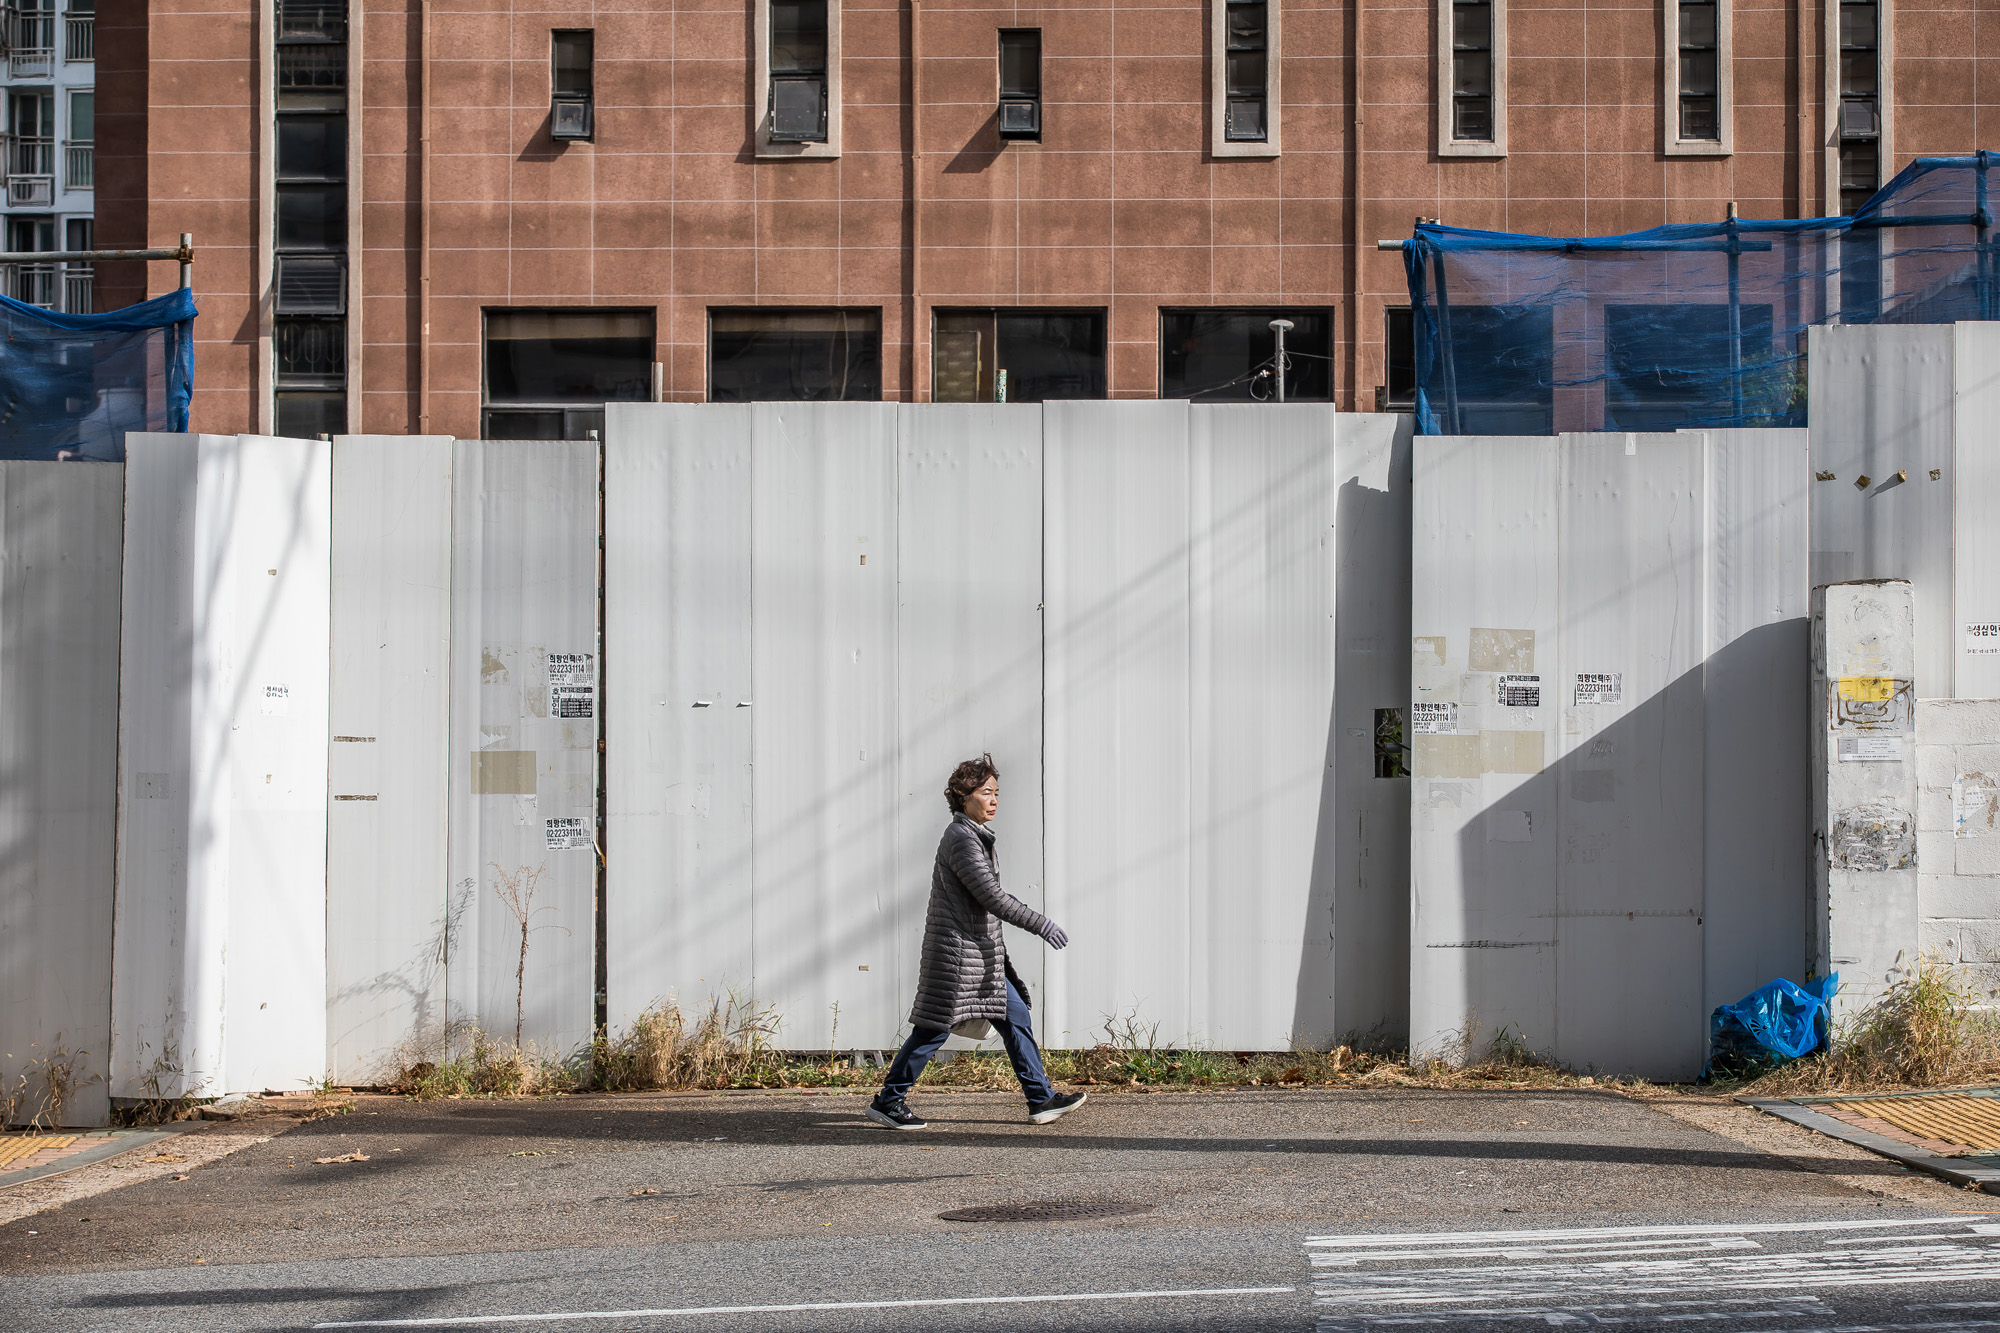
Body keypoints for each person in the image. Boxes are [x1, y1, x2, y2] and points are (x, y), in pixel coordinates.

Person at [866, 754, 1087, 1130]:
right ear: (963, 796)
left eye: (997, 792)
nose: (995, 799)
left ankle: (1040, 1098)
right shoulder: (961, 839)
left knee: (1015, 1015)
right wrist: (1041, 924)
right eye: (986, 792)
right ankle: (889, 1100)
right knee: (934, 1028)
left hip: (979, 958)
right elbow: (991, 896)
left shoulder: (974, 836)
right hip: (957, 958)